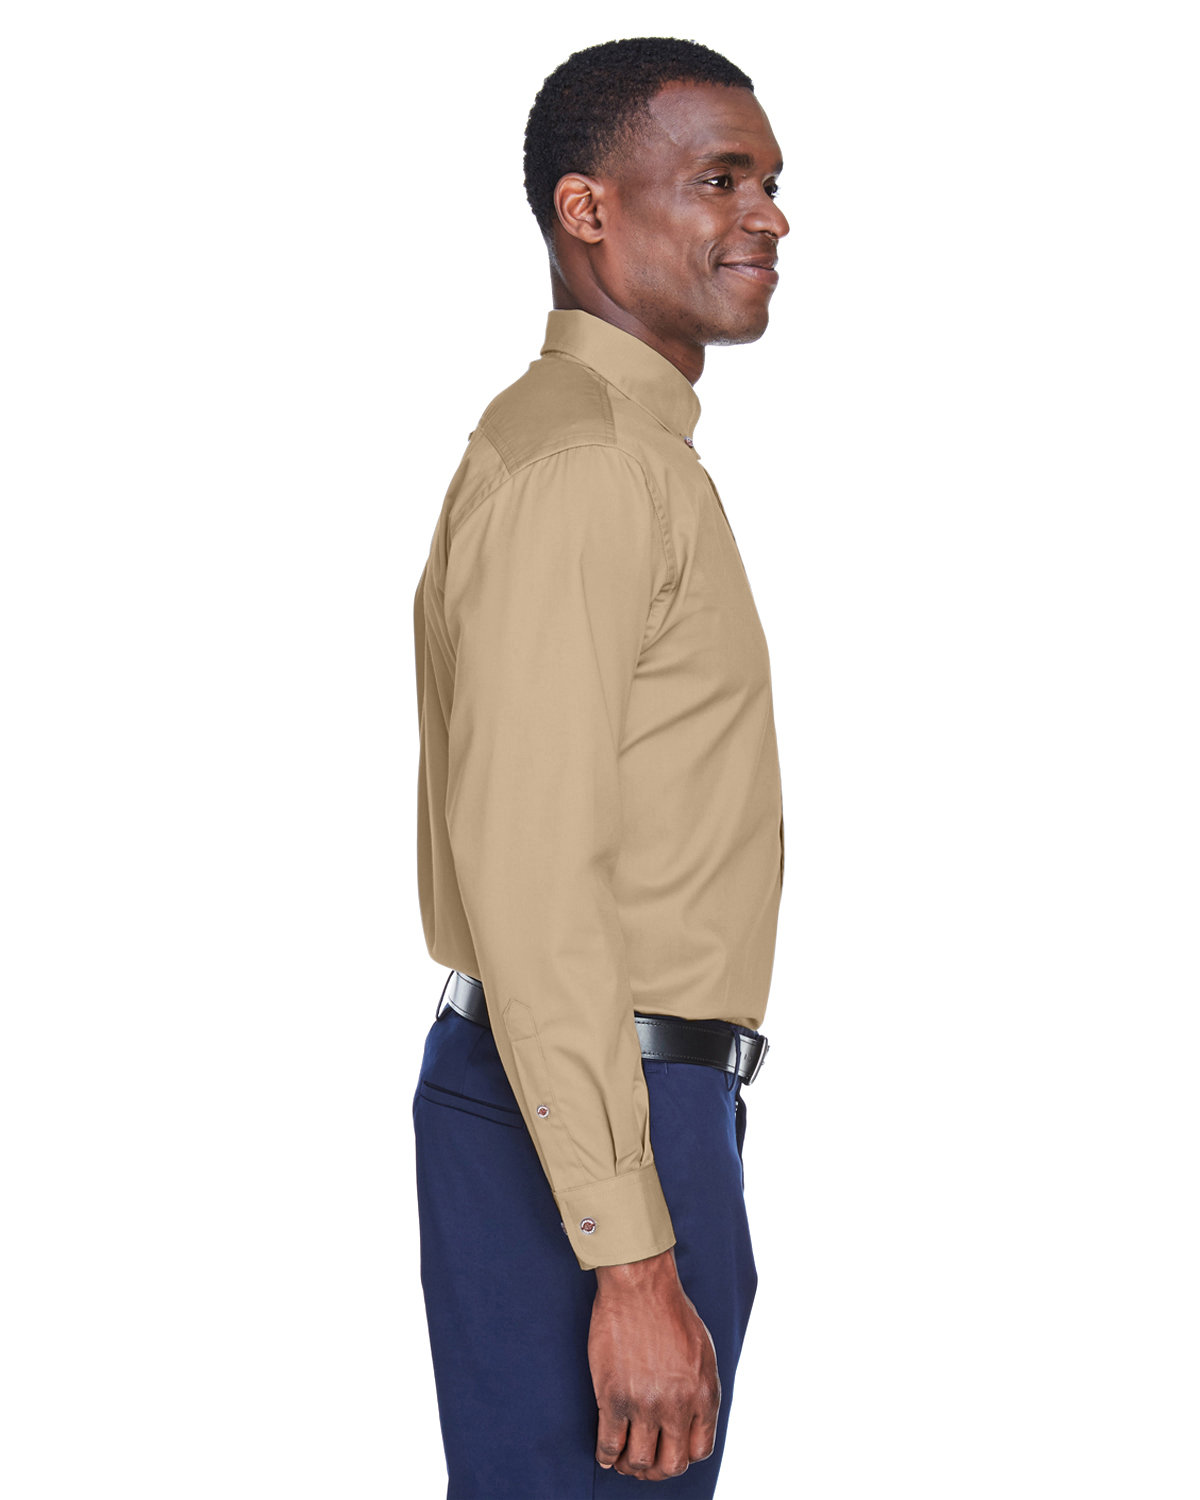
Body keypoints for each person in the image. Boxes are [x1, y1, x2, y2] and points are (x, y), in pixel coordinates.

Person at [411, 36, 789, 1497]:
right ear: (587, 210)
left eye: (768, 183)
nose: (766, 216)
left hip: (612, 1109)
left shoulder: (623, 451)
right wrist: (631, 1256)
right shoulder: (585, 468)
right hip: (588, 1119)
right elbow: (533, 873)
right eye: (720, 180)